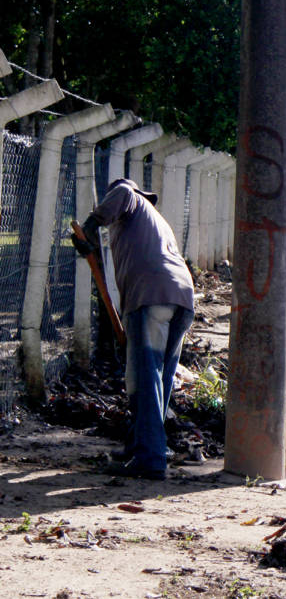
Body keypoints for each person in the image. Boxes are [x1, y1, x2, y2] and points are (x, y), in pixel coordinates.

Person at [73, 178, 194, 480]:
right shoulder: (155, 223)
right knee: (160, 378)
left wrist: (90, 225)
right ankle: (140, 446)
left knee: (145, 376)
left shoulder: (130, 197)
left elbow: (123, 192)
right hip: (181, 297)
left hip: (151, 296)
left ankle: (151, 459)